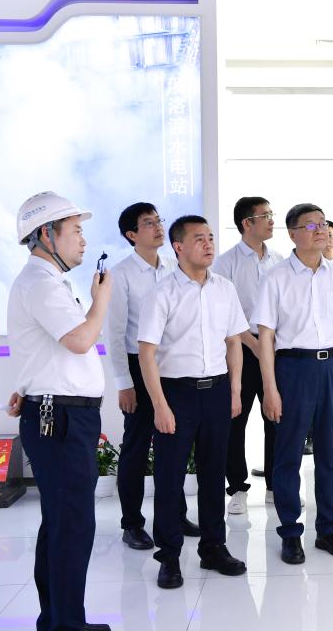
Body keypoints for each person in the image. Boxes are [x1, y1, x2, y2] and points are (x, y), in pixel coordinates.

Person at [6, 190, 113, 631]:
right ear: (46, 234)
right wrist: (101, 299)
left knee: (61, 523)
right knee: (71, 525)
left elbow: (42, 351)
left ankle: (58, 620)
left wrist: (25, 388)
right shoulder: (41, 284)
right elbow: (81, 340)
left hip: (61, 416)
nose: (83, 240)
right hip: (62, 420)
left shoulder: (46, 282)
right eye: (75, 231)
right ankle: (66, 625)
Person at [138, 215, 249, 589]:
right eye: (199, 238)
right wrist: (160, 405)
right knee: (169, 478)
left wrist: (234, 390)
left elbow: (234, 342)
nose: (208, 244)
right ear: (179, 247)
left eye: (211, 237)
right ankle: (169, 556)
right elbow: (147, 353)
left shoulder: (225, 289)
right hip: (176, 393)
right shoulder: (162, 293)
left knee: (213, 473)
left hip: (217, 390)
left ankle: (213, 547)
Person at [253, 203, 333, 565]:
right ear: (293, 234)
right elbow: (266, 338)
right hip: (293, 370)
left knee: (329, 454)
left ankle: (328, 529)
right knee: (287, 455)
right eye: (311, 225)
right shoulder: (276, 278)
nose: (321, 230)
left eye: (323, 224)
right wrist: (270, 389)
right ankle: (290, 532)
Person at [107, 202, 200, 552]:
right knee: (136, 446)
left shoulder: (176, 267)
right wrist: (124, 383)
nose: (159, 227)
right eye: (149, 223)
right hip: (137, 365)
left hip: (173, 366)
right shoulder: (121, 275)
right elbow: (115, 333)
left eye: (159, 220)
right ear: (132, 234)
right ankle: (132, 524)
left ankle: (176, 515)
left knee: (174, 445)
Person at [213, 196, 285, 514]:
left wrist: (270, 345)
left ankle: (274, 485)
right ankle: (237, 488)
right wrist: (254, 344)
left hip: (276, 349)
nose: (272, 220)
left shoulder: (280, 260)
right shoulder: (226, 263)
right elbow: (225, 313)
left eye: (271, 214)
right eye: (265, 215)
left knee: (276, 418)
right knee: (235, 420)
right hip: (239, 349)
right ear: (247, 223)